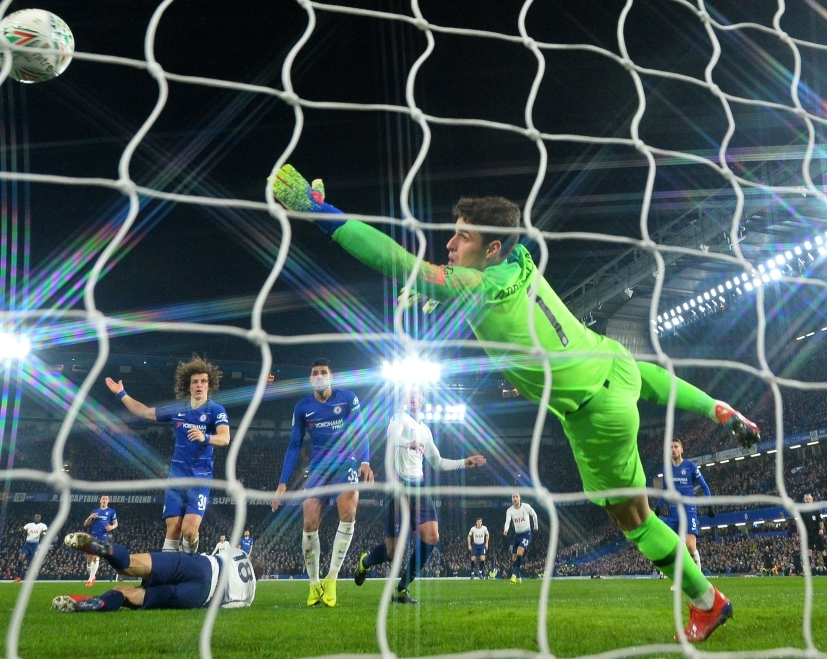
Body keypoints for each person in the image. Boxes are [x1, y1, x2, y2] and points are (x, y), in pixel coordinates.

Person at [272, 165, 763, 641]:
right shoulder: (519, 262)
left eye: (461, 237)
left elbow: (401, 263)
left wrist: (323, 212)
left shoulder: (483, 284)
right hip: (613, 361)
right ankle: (719, 409)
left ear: (491, 247)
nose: (449, 243)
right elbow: (469, 276)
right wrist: (442, 292)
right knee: (648, 381)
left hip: (595, 415)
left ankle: (708, 603)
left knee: (636, 522)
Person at [352, 385, 486, 603]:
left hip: (419, 486)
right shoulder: (399, 419)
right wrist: (408, 443)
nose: (413, 396)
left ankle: (401, 588)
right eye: (409, 393)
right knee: (393, 553)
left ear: (423, 399)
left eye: (417, 394)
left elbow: (438, 462)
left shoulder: (425, 430)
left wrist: (465, 463)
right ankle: (365, 562)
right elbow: (392, 439)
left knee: (432, 536)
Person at [271, 358, 373, 608]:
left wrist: (365, 461)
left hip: (344, 461)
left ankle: (332, 578)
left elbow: (360, 430)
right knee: (308, 521)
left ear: (331, 377)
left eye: (323, 372)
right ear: (310, 379)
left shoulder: (347, 398)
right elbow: (294, 444)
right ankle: (313, 584)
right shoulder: (302, 407)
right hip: (318, 466)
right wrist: (283, 482)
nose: (319, 376)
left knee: (349, 513)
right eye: (314, 372)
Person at [105, 356, 230, 554]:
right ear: (188, 386)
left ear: (209, 385)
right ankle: (167, 575)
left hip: (200, 479)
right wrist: (122, 393)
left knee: (189, 531)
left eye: (203, 381)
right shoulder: (178, 409)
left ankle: (190, 561)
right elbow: (145, 412)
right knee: (173, 529)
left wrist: (205, 437)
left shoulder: (216, 411)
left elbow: (225, 438)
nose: (199, 385)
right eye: (195, 381)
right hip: (176, 477)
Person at [52, 532, 254, 612]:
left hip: (201, 565)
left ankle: (108, 550)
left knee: (129, 564)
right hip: (201, 594)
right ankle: (100, 602)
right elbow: (229, 606)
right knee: (126, 593)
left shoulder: (240, 554)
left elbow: (221, 554)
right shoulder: (250, 593)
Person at [655, 439, 712, 571]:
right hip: (673, 512)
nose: (673, 450)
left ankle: (699, 577)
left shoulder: (690, 466)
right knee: (673, 548)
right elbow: (665, 490)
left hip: (689, 510)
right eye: (671, 448)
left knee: (691, 545)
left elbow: (704, 486)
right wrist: (658, 507)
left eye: (676, 447)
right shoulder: (667, 469)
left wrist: (709, 504)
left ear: (681, 450)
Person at [83, 495, 118, 586]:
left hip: (103, 536)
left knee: (96, 555)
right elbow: (85, 524)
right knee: (89, 558)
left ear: (108, 501)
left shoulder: (111, 511)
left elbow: (115, 523)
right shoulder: (95, 511)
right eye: (103, 499)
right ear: (100, 501)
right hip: (93, 535)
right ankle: (92, 575)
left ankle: (90, 580)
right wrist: (90, 517)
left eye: (106, 499)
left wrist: (112, 527)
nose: (104, 500)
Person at [504, 493, 539, 584]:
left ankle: (514, 575)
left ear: (520, 498)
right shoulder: (510, 510)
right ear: (512, 499)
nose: (515, 498)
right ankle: (519, 578)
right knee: (514, 558)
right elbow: (507, 521)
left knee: (520, 552)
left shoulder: (526, 507)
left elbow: (534, 515)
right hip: (517, 535)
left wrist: (535, 526)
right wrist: (506, 530)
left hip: (526, 534)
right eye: (513, 497)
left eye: (516, 497)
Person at [800, 493, 827, 574]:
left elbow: (821, 521)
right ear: (804, 501)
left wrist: (821, 529)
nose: (808, 500)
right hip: (808, 534)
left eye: (809, 499)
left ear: (812, 500)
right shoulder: (802, 511)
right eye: (806, 499)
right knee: (808, 552)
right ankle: (806, 571)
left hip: (817, 533)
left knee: (822, 552)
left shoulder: (816, 510)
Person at [15, 513, 47, 582]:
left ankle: (32, 576)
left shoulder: (42, 525)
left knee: (31, 562)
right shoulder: (29, 525)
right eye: (36, 517)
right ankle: (18, 577)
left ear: (40, 518)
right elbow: (23, 529)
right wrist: (21, 530)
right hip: (27, 544)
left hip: (34, 545)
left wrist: (43, 534)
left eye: (38, 517)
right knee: (21, 558)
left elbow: (46, 532)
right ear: (34, 518)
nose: (37, 518)